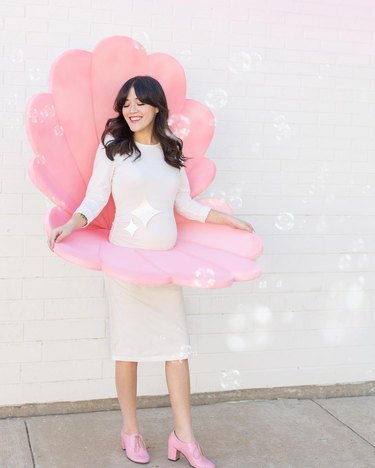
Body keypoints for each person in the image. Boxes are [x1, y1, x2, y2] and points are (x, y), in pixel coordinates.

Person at [48, 75, 254, 467]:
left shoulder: (171, 149)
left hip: (163, 267)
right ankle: (130, 431)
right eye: (125, 102)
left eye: (139, 101)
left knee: (177, 351)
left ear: (156, 106)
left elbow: (186, 205)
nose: (131, 109)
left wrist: (228, 222)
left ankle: (185, 437)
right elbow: (95, 196)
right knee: (128, 352)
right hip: (125, 264)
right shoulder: (114, 147)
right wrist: (71, 225)